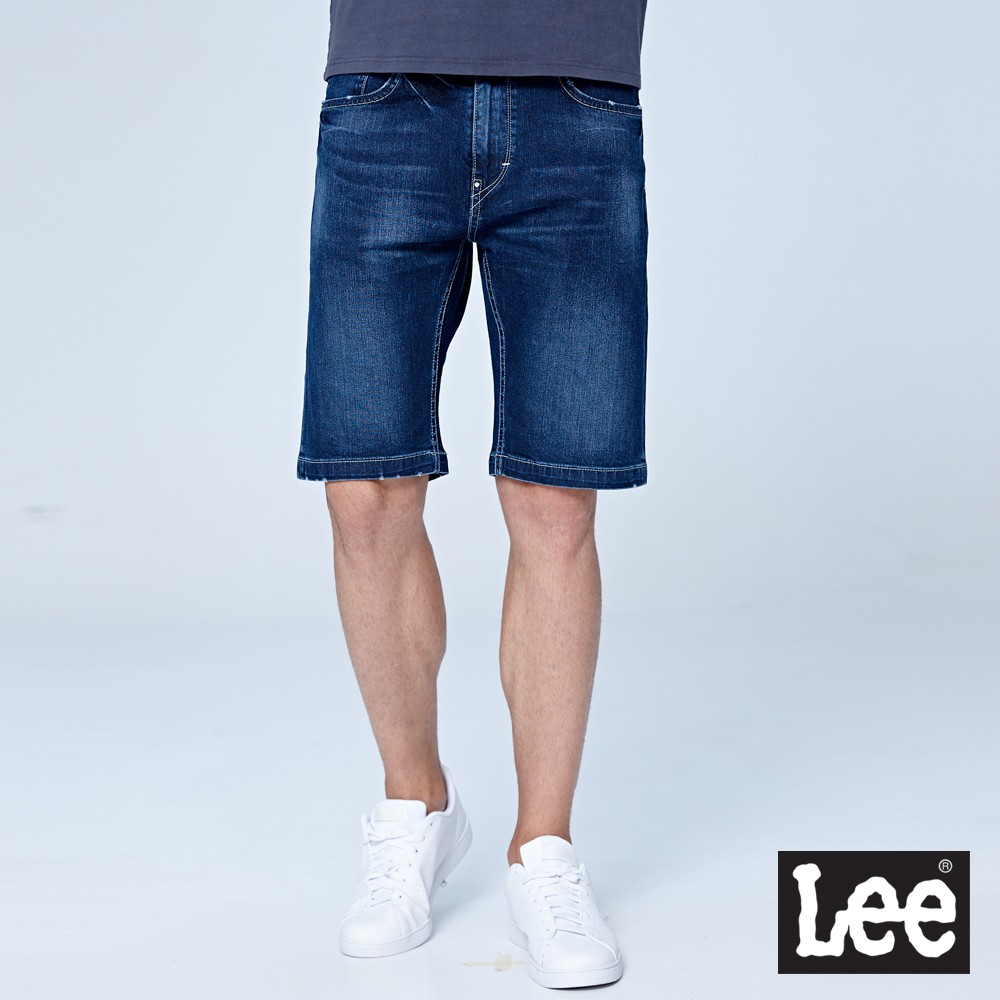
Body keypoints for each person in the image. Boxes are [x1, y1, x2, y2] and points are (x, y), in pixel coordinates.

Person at [297, 1, 649, 990]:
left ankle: (544, 847)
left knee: (556, 497)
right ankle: (416, 804)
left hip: (579, 94)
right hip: (386, 89)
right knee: (365, 484)